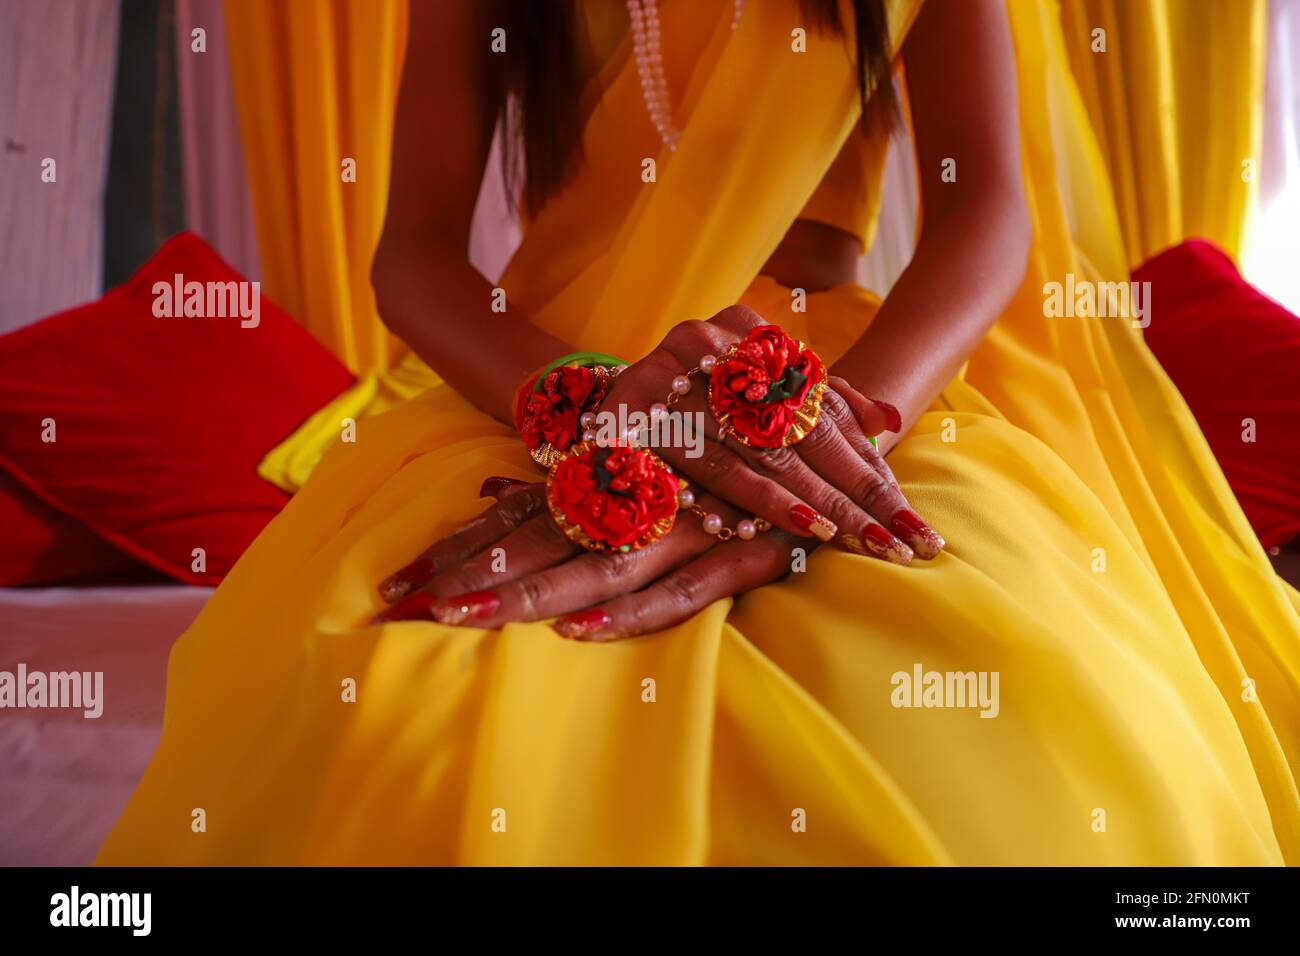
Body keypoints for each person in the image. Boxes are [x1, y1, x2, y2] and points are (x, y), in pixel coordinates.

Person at [98, 0, 1300, 865]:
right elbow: (412, 252)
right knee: (385, 691)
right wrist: (582, 405)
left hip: (839, 383)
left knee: (999, 726)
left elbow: (984, 208)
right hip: (540, 374)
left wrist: (833, 427)